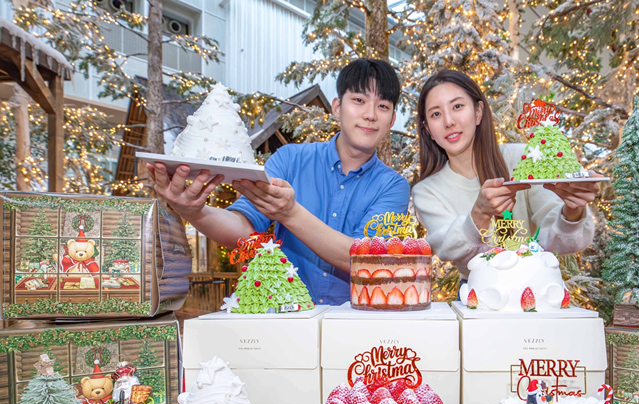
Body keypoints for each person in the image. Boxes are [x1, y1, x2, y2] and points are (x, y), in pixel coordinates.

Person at [148, 59, 409, 305]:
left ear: (392, 120)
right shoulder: (290, 159)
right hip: (285, 319)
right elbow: (244, 229)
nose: (370, 114)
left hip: (353, 324)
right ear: (337, 107)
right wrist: (195, 211)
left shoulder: (393, 186)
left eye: (383, 106)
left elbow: (367, 261)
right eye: (359, 100)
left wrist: (290, 214)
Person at [412, 70, 598, 279]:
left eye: (457, 106)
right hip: (477, 294)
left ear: (478, 112)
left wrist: (572, 211)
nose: (448, 121)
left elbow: (562, 243)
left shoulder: (524, 159)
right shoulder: (427, 192)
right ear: (428, 129)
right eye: (436, 114)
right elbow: (452, 251)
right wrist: (479, 214)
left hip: (538, 289)